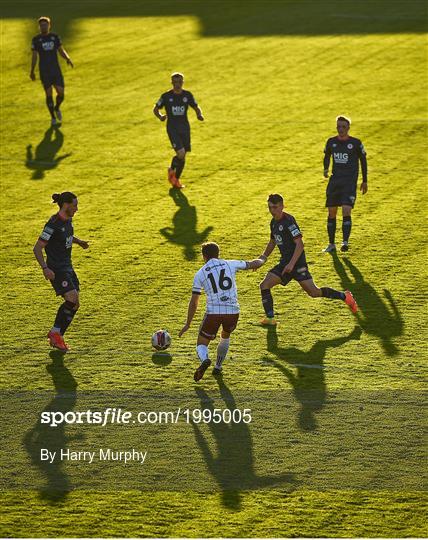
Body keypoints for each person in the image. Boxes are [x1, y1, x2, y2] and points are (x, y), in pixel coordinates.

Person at [258, 194, 358, 326]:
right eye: (270, 207)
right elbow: (273, 241)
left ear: (282, 206)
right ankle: (270, 318)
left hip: (297, 263)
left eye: (275, 207)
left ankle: (345, 296)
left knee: (314, 292)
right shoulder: (274, 222)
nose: (272, 210)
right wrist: (263, 258)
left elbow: (300, 244)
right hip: (285, 263)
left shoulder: (289, 221)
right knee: (264, 285)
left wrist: (292, 264)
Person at [179, 242, 264, 381]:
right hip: (233, 311)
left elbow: (194, 302)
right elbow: (253, 264)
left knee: (201, 343)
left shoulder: (200, 273)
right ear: (218, 253)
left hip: (214, 312)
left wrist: (188, 323)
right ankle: (218, 367)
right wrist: (263, 258)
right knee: (225, 335)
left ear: (204, 256)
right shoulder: (230, 264)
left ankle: (205, 360)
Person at [33, 192, 89, 351]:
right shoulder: (52, 224)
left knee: (75, 304)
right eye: (75, 205)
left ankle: (57, 335)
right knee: (72, 298)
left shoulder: (68, 220)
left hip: (67, 267)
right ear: (66, 205)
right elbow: (37, 248)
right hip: (57, 269)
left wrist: (79, 242)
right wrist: (45, 268)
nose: (77, 209)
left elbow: (67, 236)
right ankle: (55, 334)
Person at [323, 115, 368, 252]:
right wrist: (326, 168)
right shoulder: (331, 142)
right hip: (335, 182)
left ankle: (345, 242)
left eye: (343, 127)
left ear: (348, 128)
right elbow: (327, 156)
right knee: (332, 212)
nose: (340, 129)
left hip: (349, 183)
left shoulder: (355, 143)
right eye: (338, 126)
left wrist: (364, 180)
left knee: (346, 210)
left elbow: (363, 161)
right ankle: (331, 244)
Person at [153, 72, 204, 189]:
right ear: (172, 83)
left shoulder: (187, 95)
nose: (177, 84)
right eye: (175, 82)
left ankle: (175, 180)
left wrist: (199, 115)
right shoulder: (166, 96)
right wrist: (161, 116)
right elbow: (155, 108)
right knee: (180, 153)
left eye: (179, 82)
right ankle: (172, 172)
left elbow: (196, 107)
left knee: (183, 155)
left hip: (185, 128)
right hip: (173, 128)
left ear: (182, 82)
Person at [30, 16, 74, 126]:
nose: (43, 27)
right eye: (41, 25)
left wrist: (68, 58)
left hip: (56, 70)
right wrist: (32, 71)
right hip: (44, 71)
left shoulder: (55, 37)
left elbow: (61, 50)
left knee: (61, 93)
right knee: (48, 94)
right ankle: (53, 118)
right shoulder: (36, 40)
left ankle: (57, 108)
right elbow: (34, 56)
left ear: (49, 26)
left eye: (45, 25)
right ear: (39, 27)